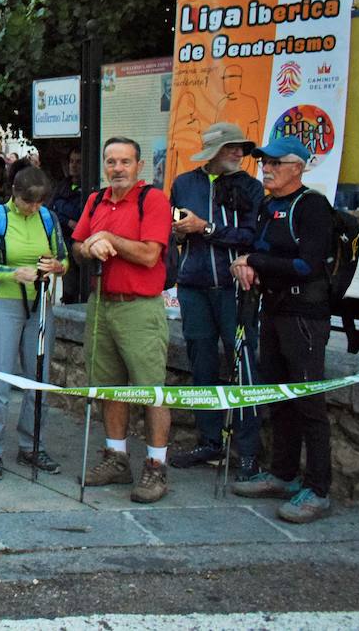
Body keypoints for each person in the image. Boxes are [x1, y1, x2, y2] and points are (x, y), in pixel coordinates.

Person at [230, 136, 335, 523]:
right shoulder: (269, 205)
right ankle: (283, 474)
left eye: (276, 162)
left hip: (305, 315)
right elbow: (261, 252)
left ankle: (319, 489)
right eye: (264, 162)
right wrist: (246, 265)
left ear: (298, 167)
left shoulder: (312, 206)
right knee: (279, 395)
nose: (267, 168)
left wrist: (253, 259)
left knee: (309, 401)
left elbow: (307, 265)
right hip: (272, 311)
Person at [73, 137, 173, 504]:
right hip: (101, 303)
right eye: (111, 162)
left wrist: (108, 238)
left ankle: (156, 465)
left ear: (139, 166)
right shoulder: (95, 200)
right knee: (107, 384)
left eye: (125, 162)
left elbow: (150, 255)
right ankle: (116, 458)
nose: (117, 168)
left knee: (151, 388)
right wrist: (89, 246)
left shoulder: (153, 200)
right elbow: (77, 246)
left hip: (138, 307)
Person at [168, 122, 263, 478]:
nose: (239, 153)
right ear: (211, 152)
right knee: (202, 365)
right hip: (192, 287)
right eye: (230, 148)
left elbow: (253, 237)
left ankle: (249, 451)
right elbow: (177, 229)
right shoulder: (184, 184)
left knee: (244, 366)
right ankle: (209, 443)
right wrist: (179, 231)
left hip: (234, 288)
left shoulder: (251, 188)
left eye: (241, 147)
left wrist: (206, 229)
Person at [0, 167, 67, 479]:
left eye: (39, 203)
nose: (34, 208)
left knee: (38, 379)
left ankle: (32, 445)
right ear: (15, 193)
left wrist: (56, 266)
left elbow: (64, 259)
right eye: (28, 202)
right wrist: (11, 273)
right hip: (4, 302)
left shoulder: (48, 218)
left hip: (39, 303)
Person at [49, 147, 86, 303]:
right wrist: (68, 220)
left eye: (78, 162)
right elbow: (51, 209)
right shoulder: (63, 185)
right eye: (71, 161)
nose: (74, 165)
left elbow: (80, 211)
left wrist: (61, 207)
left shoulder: (89, 186)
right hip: (65, 239)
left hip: (82, 241)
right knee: (69, 284)